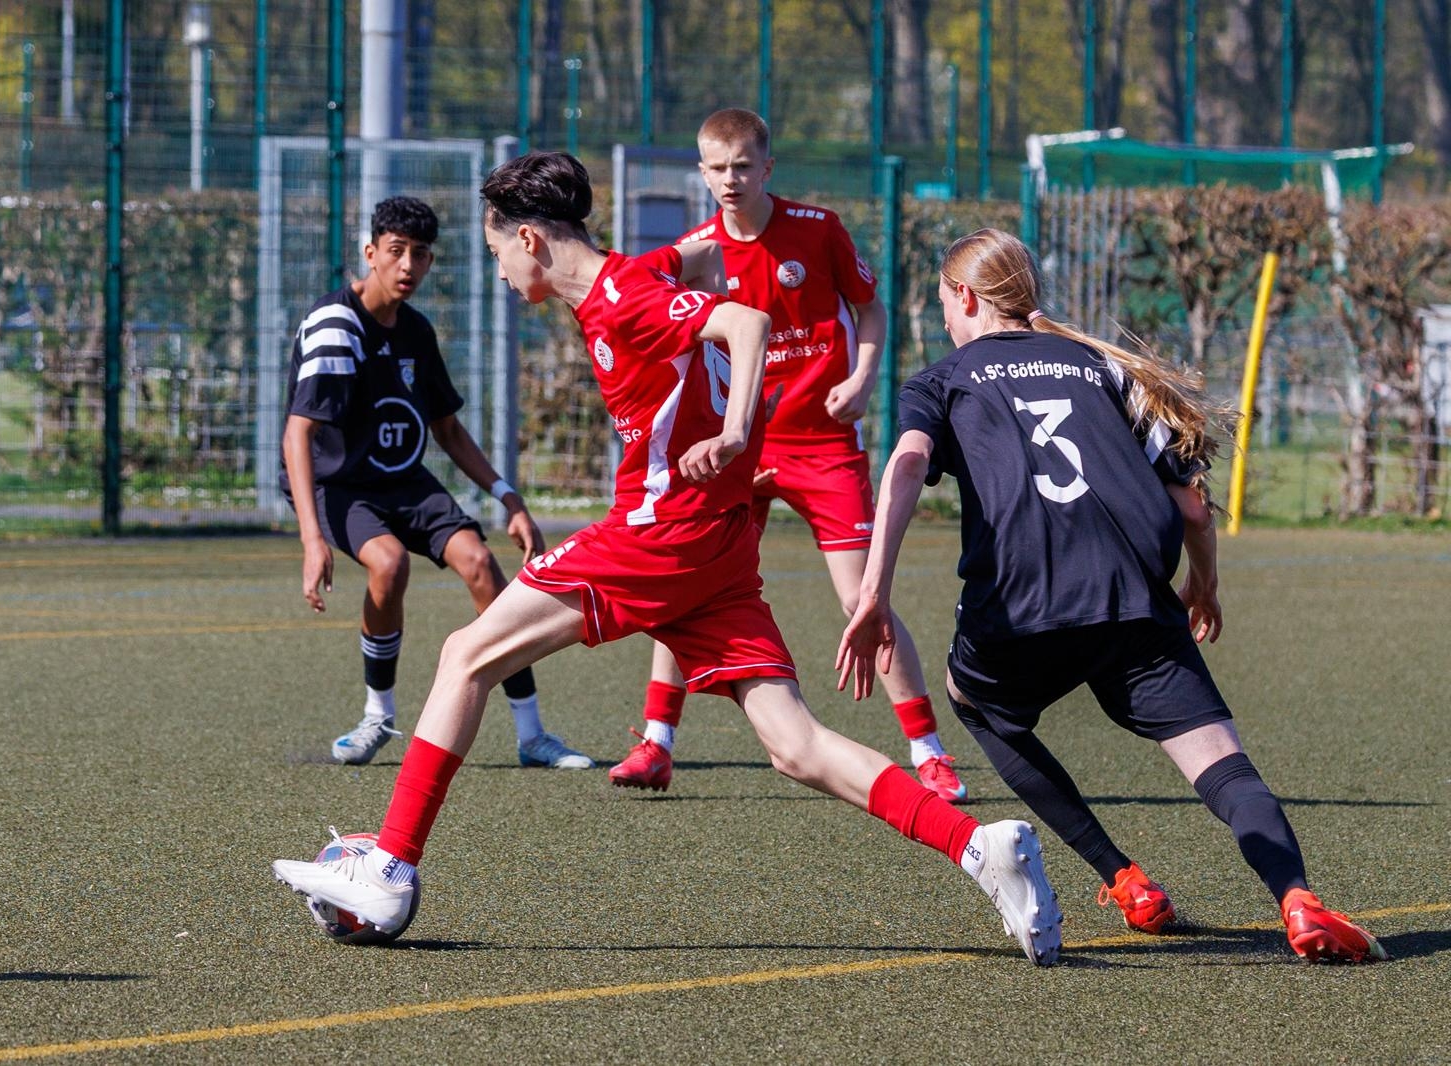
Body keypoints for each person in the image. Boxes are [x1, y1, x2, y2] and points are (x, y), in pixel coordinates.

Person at [272, 153, 1063, 965]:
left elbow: (747, 324)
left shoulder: (622, 298)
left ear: (532, 240)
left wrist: (735, 432)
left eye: (498, 250)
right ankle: (980, 848)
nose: (500, 270)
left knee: (465, 654)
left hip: (662, 535)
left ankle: (389, 869)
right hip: (717, 550)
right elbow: (710, 281)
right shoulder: (626, 283)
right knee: (794, 745)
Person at [838, 227, 1386, 964]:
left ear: (964, 297)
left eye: (942, 302)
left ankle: (1123, 878)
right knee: (1221, 762)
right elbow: (1193, 507)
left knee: (975, 703)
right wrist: (1204, 584)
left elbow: (906, 467)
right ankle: (1296, 898)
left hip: (1020, 603)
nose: (944, 317)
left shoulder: (942, 380)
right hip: (1131, 594)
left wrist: (873, 592)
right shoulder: (1103, 366)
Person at [607, 108, 967, 803]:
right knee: (683, 579)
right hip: (733, 445)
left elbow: (870, 310)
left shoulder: (817, 229)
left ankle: (928, 752)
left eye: (744, 166)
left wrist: (861, 379)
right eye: (718, 168)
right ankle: (656, 742)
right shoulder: (694, 253)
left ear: (767, 167)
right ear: (701, 173)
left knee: (862, 596)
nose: (731, 179)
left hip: (820, 443)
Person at [281, 195, 591, 771]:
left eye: (420, 254)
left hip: (404, 481)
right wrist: (311, 539)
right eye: (396, 251)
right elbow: (298, 434)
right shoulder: (335, 325)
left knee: (480, 563)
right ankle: (377, 716)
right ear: (371, 253)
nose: (408, 265)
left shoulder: (416, 331)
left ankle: (532, 734)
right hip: (339, 485)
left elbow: (447, 428)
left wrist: (509, 497)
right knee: (389, 563)